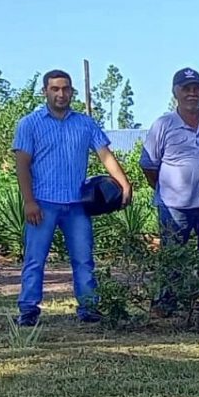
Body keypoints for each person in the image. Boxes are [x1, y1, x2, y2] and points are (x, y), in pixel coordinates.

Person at [13, 69, 133, 326]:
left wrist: (125, 184)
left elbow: (105, 155)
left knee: (83, 259)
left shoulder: (85, 123)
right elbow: (21, 165)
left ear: (72, 91)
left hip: (77, 204)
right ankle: (28, 309)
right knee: (35, 258)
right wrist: (29, 201)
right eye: (55, 89)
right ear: (45, 91)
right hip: (43, 203)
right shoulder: (29, 124)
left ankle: (89, 308)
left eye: (66, 88)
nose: (61, 93)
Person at [140, 68, 199, 319]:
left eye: (196, 88)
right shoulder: (164, 124)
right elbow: (149, 165)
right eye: (186, 88)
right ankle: (167, 304)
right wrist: (167, 188)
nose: (192, 93)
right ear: (175, 92)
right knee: (172, 256)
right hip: (174, 205)